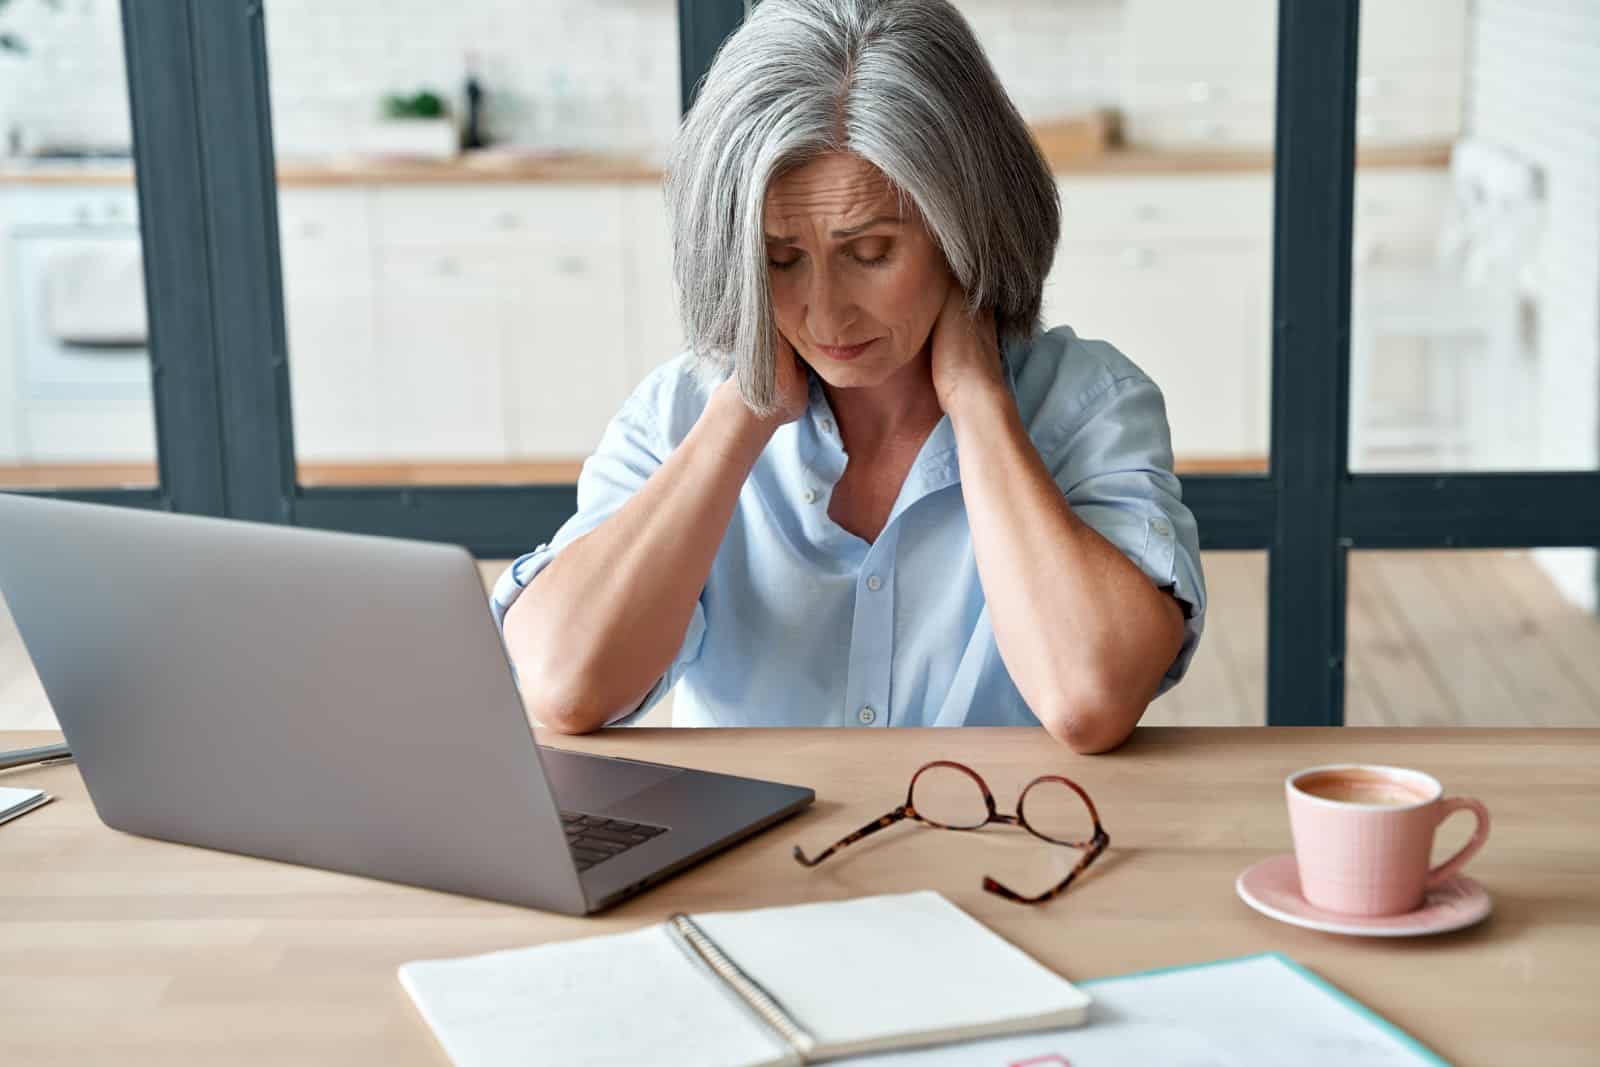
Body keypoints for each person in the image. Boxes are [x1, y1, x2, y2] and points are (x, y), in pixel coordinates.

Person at [494, 0, 1205, 753]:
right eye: (780, 259)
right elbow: (565, 686)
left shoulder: (1086, 404)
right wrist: (743, 413)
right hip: (756, 869)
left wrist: (979, 403)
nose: (826, 315)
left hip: (1003, 857)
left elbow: (1090, 699)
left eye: (871, 253)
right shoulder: (677, 416)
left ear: (965, 226)